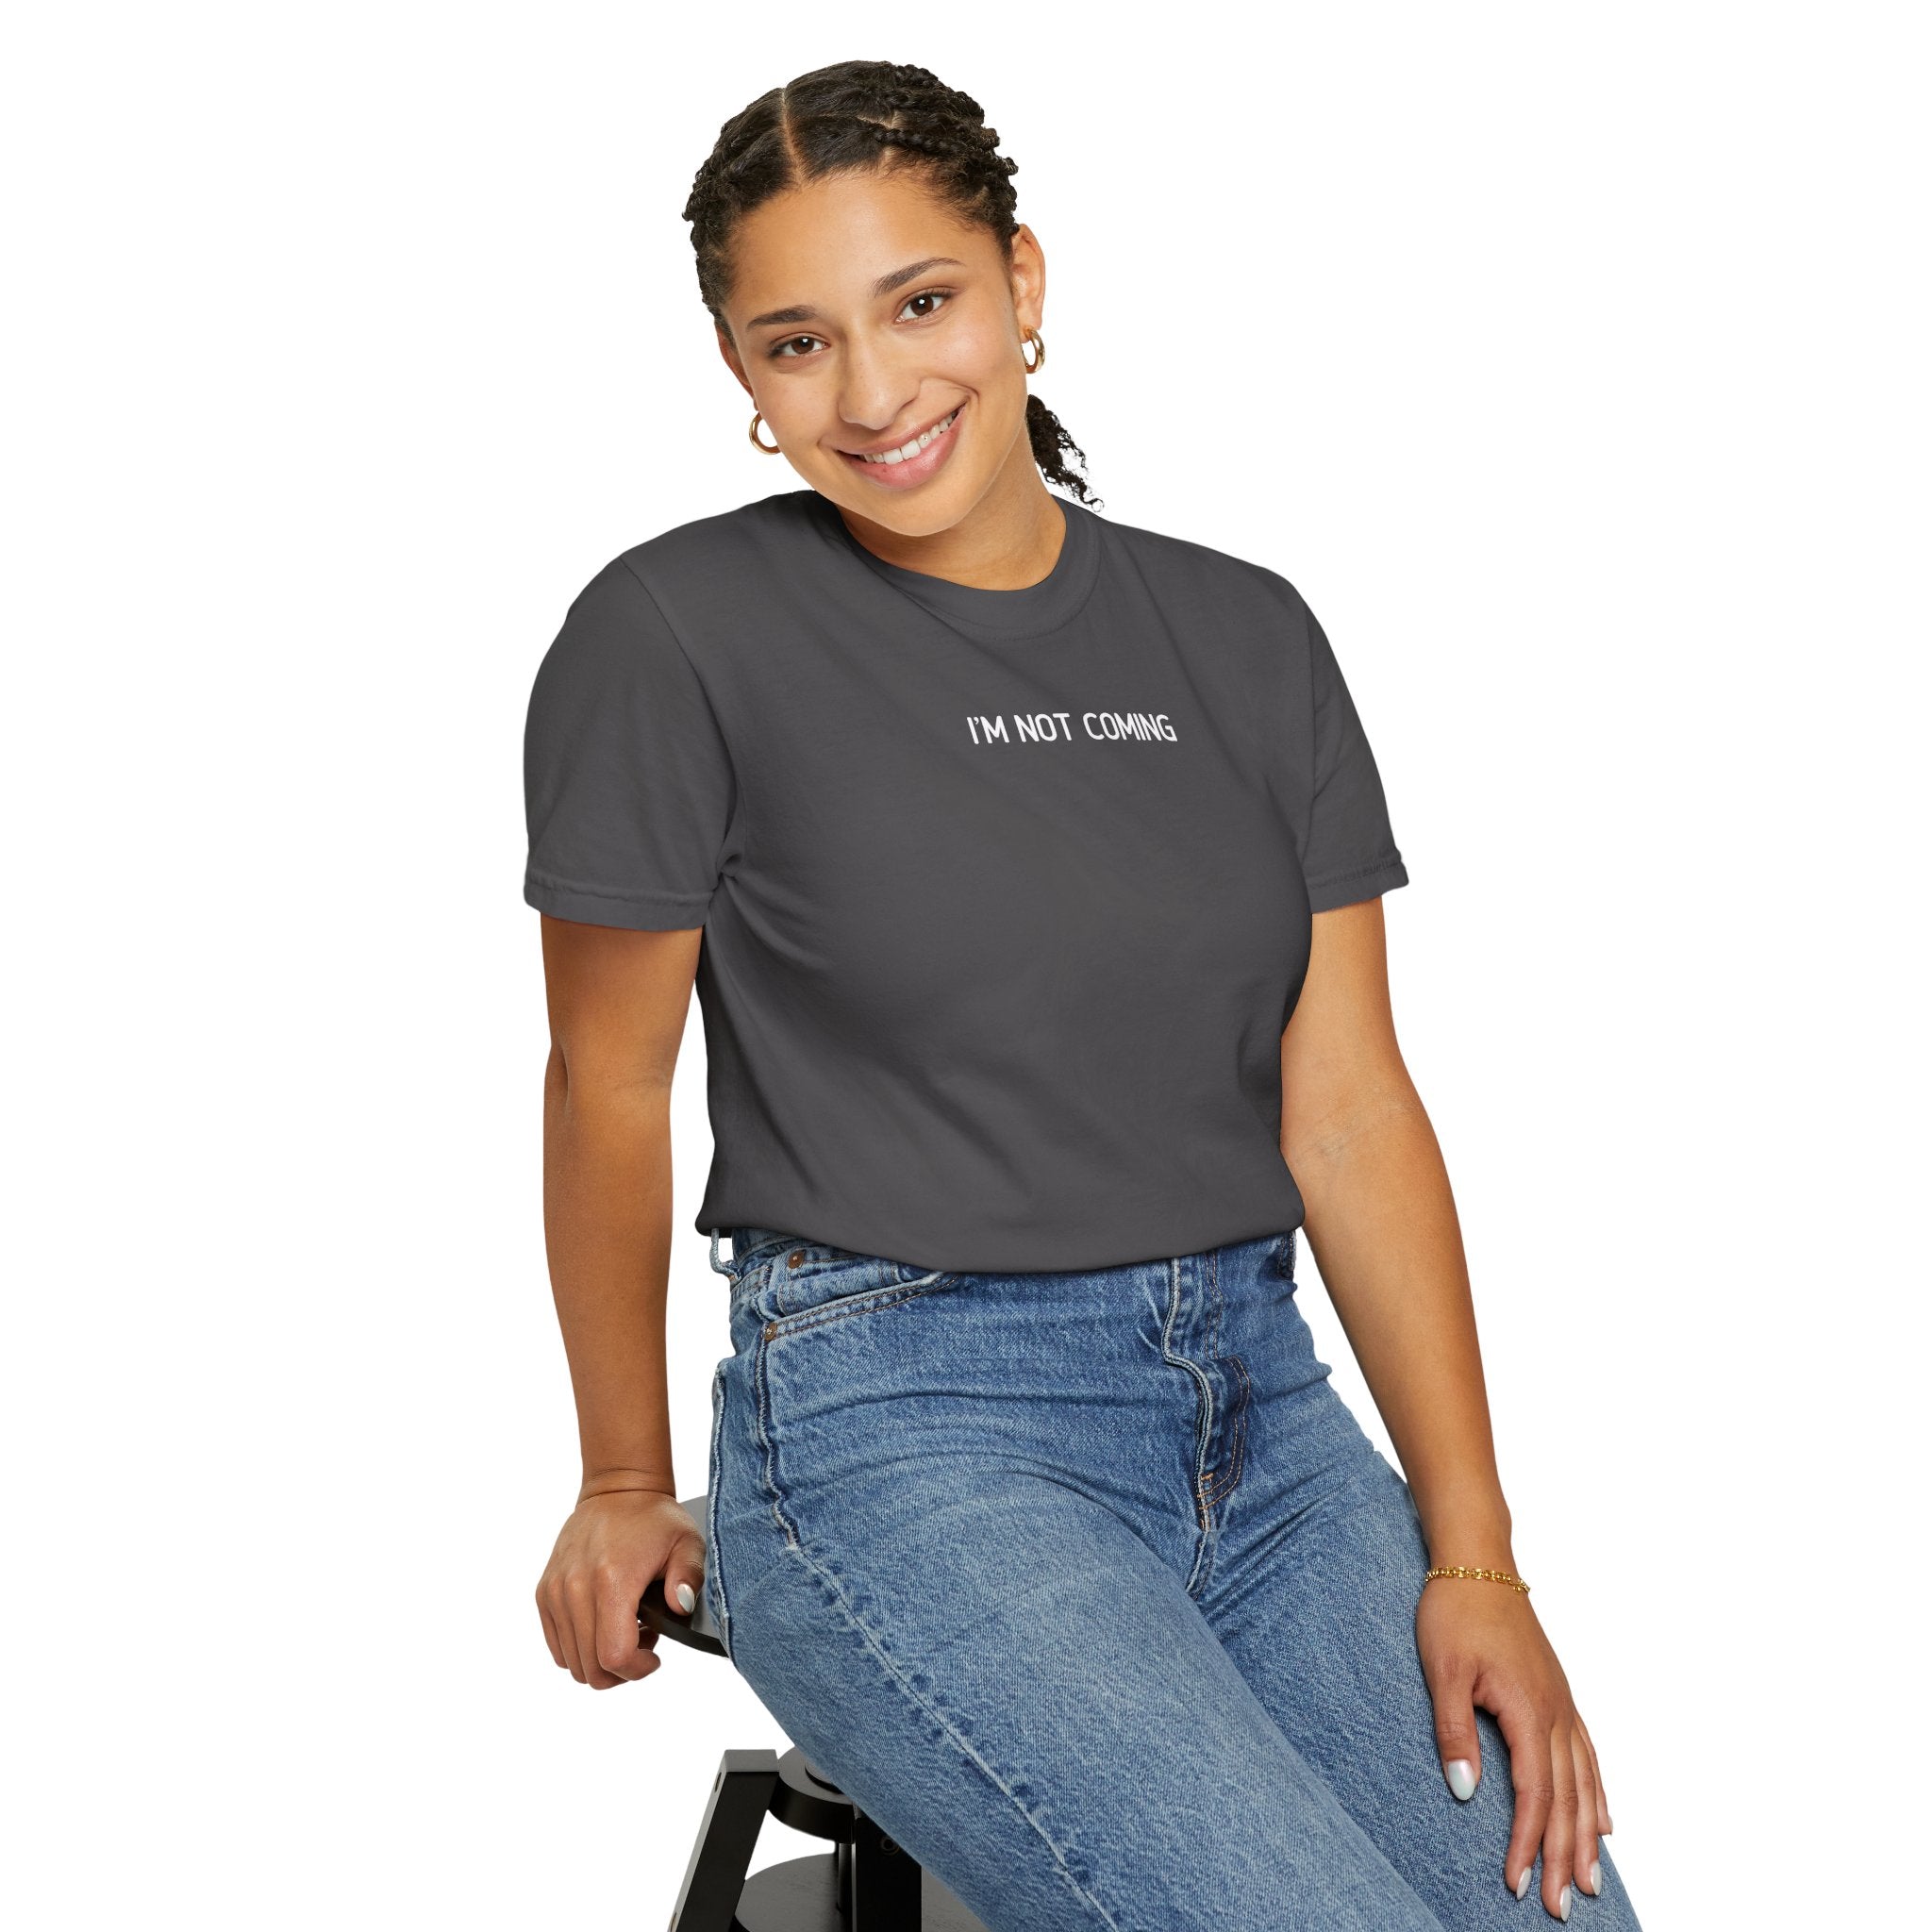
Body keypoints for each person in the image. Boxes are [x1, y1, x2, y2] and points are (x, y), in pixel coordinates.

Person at [522, 58, 1643, 1932]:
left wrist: (1476, 1557)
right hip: (893, 1431)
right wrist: (624, 1471)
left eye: (922, 303)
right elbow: (605, 1082)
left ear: (1022, 281)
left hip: (1262, 1423)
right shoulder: (674, 635)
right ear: (739, 373)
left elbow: (1348, 1103)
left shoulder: (1244, 635)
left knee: (1561, 1922)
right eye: (794, 343)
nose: (873, 394)